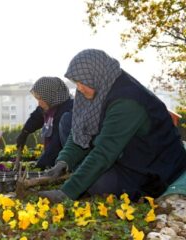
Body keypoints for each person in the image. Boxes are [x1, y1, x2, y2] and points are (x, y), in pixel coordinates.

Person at [39, 49, 186, 203]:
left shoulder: (127, 101)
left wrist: (66, 193)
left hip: (153, 167)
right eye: (76, 83)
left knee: (98, 183)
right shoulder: (99, 87)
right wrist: (64, 161)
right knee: (68, 121)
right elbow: (78, 130)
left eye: (82, 82)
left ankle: (86, 175)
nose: (79, 88)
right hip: (126, 150)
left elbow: (105, 151)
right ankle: (85, 172)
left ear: (97, 76)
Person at [16, 76, 73, 169]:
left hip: (64, 162)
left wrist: (41, 164)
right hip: (52, 160)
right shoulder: (49, 105)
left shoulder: (67, 111)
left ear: (51, 96)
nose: (39, 103)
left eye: (40, 99)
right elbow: (36, 118)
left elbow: (57, 142)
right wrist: (24, 133)